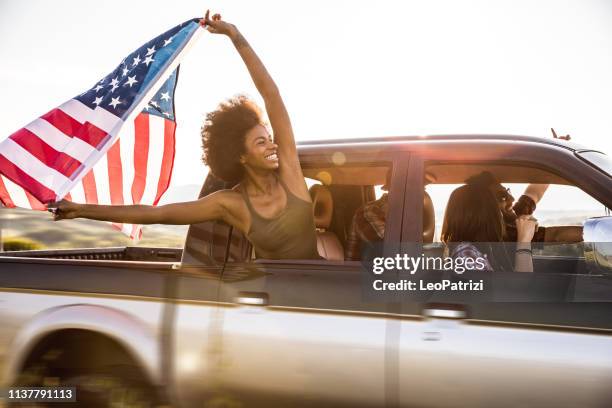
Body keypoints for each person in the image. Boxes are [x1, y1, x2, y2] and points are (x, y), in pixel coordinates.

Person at [49, 11, 320, 260]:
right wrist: (82, 210)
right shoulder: (231, 203)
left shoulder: (289, 172)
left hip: (326, 290)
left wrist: (235, 36)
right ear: (240, 156)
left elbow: (271, 96)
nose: (273, 145)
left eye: (270, 138)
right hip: (280, 300)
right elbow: (159, 214)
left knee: (362, 279)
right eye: (261, 142)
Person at [441, 183, 537, 272]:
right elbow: (520, 288)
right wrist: (524, 241)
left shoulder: (485, 247)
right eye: (496, 210)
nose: (500, 216)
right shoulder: (465, 255)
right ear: (483, 215)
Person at [465, 172, 583, 244]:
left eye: (507, 191)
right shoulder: (472, 251)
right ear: (484, 209)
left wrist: (556, 154)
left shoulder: (513, 218)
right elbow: (556, 235)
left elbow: (534, 193)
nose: (511, 198)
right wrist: (524, 240)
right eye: (502, 197)